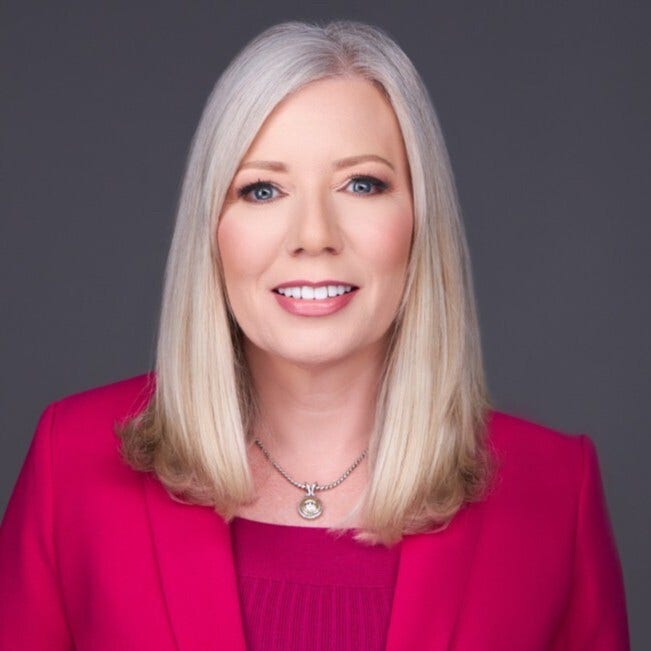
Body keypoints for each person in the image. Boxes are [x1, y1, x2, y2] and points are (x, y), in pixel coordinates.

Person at [0, 19, 630, 651]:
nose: (313, 235)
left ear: (419, 219)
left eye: (361, 184)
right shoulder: (70, 464)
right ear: (210, 230)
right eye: (263, 189)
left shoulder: (555, 489)